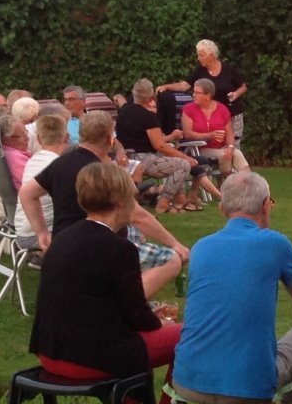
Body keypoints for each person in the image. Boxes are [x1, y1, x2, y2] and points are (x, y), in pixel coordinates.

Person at [28, 161, 183, 404]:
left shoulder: (62, 240)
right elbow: (137, 315)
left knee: (135, 337)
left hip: (50, 352)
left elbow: (96, 305)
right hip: (87, 359)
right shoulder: (119, 249)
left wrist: (148, 316)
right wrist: (157, 322)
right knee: (190, 335)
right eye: (133, 197)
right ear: (119, 202)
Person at [173, 171, 292, 404]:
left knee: (216, 331)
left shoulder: (201, 247)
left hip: (188, 383)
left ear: (222, 209)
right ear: (266, 205)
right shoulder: (275, 244)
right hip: (248, 386)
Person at [19, 110, 188, 296]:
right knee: (172, 259)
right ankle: (124, 304)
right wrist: (175, 244)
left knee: (133, 232)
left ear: (80, 135)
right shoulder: (102, 173)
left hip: (63, 244)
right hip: (98, 249)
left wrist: (42, 232)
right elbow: (137, 215)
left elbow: (27, 194)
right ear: (110, 139)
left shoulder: (61, 163)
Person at [115, 79, 200, 213]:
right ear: (150, 96)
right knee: (183, 164)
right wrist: (186, 157)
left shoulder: (124, 111)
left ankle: (180, 200)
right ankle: (163, 203)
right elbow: (160, 145)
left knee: (177, 161)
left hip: (125, 157)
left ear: (133, 93)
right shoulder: (148, 116)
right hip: (143, 160)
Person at [157, 39, 248, 145]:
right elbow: (184, 85)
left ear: (211, 55)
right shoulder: (200, 71)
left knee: (233, 144)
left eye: (201, 55)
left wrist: (236, 93)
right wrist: (167, 87)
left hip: (232, 113)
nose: (198, 58)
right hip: (212, 115)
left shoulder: (229, 70)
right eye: (198, 55)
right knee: (215, 143)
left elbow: (243, 87)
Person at [16, 113, 69, 251]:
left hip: (22, 230)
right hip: (43, 235)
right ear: (67, 137)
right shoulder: (60, 166)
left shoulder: (32, 161)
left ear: (38, 138)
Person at [182, 79, 250, 178]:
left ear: (208, 96)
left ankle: (249, 182)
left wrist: (231, 147)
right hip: (200, 148)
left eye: (197, 93)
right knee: (225, 155)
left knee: (235, 153)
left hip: (221, 148)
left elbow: (229, 133)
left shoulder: (222, 109)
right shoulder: (189, 109)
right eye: (194, 92)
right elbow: (188, 134)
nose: (193, 95)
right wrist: (209, 135)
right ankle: (230, 183)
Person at [0, 113, 32, 189]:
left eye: (25, 132)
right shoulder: (15, 158)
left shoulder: (6, 152)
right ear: (6, 140)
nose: (27, 138)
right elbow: (37, 184)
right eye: (21, 136)